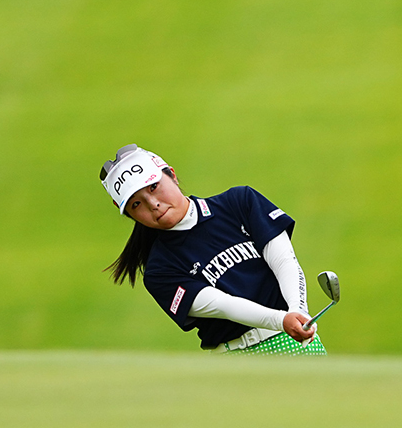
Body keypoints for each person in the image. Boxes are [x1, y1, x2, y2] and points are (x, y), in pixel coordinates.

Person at [100, 144, 326, 355]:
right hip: (239, 357)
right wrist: (283, 320)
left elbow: (284, 260)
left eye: (153, 187)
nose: (153, 204)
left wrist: (299, 311)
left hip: (297, 339)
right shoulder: (159, 271)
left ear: (172, 174)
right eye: (136, 204)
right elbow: (223, 305)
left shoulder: (240, 202)